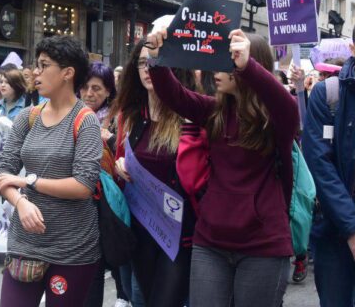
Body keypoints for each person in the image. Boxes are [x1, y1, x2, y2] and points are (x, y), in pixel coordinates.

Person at [145, 29, 297, 307]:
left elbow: (287, 105)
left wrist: (248, 65)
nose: (216, 68)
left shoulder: (275, 119)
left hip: (263, 245)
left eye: (227, 60)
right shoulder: (213, 111)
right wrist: (156, 58)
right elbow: (174, 95)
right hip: (211, 242)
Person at [0, 36, 102, 306]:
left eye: (44, 65)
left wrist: (29, 181)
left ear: (68, 73)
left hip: (72, 247)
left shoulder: (85, 120)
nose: (35, 72)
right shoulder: (27, 116)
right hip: (25, 242)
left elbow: (83, 185)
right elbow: (2, 173)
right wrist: (20, 202)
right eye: (35, 64)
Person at [303, 14, 355, 307]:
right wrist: (352, 229)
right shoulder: (328, 95)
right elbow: (320, 167)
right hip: (334, 236)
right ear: (352, 49)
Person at [112, 41, 198, 307]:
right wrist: (119, 166)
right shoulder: (132, 116)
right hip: (141, 230)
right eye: (141, 63)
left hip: (180, 235)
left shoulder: (191, 115)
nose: (147, 69)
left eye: (155, 62)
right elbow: (120, 163)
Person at [79, 62, 129, 307]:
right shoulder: (69, 114)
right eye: (85, 87)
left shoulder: (118, 119)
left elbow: (127, 161)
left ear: (109, 91)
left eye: (97, 88)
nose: (90, 93)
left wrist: (109, 141)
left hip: (105, 206)